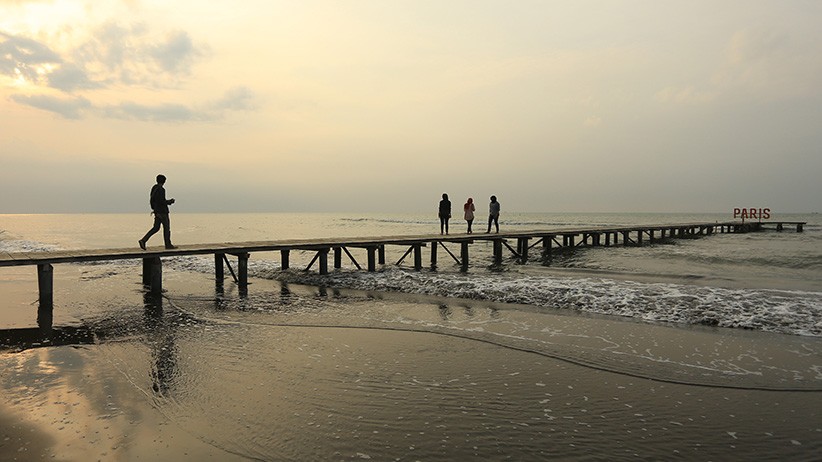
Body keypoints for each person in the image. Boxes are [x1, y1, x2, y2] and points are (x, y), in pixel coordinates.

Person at [139, 174, 177, 250]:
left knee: (156, 228)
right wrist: (170, 201)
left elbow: (153, 200)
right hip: (162, 212)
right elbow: (161, 201)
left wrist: (155, 210)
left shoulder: (154, 188)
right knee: (166, 228)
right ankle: (168, 245)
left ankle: (143, 240)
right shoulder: (161, 189)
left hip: (157, 211)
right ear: (164, 181)